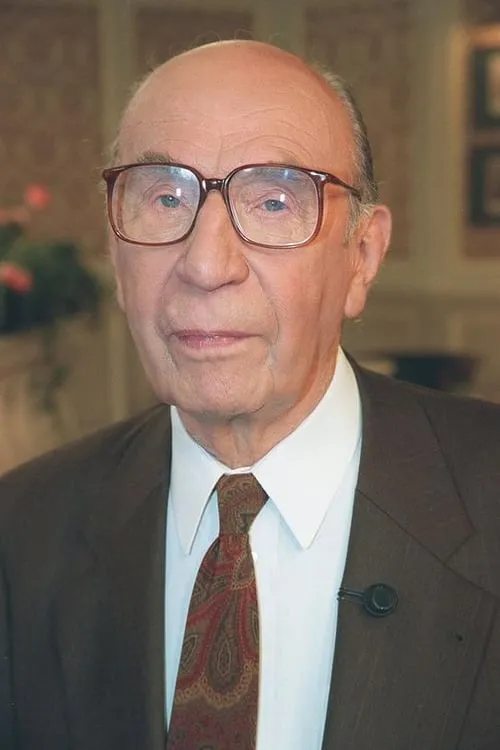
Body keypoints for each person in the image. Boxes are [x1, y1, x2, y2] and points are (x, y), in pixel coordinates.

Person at [0, 39, 499, 750]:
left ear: (362, 257)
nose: (206, 265)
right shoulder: (22, 534)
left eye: (272, 202)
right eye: (165, 198)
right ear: (115, 255)